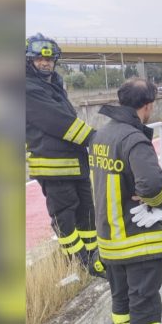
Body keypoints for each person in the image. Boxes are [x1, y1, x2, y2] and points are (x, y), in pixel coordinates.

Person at [90, 79, 162, 324]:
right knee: (144, 308)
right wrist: (156, 202)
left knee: (121, 304)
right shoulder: (134, 139)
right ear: (147, 106)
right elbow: (153, 185)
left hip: (109, 242)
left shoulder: (101, 135)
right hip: (137, 242)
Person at [25, 33, 103, 277]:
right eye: (39, 59)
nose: (45, 63)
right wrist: (95, 138)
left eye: (49, 59)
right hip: (53, 165)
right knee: (65, 217)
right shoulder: (27, 88)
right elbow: (60, 122)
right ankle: (77, 261)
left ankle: (93, 256)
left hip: (75, 162)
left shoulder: (52, 84)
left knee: (87, 211)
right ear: (28, 60)